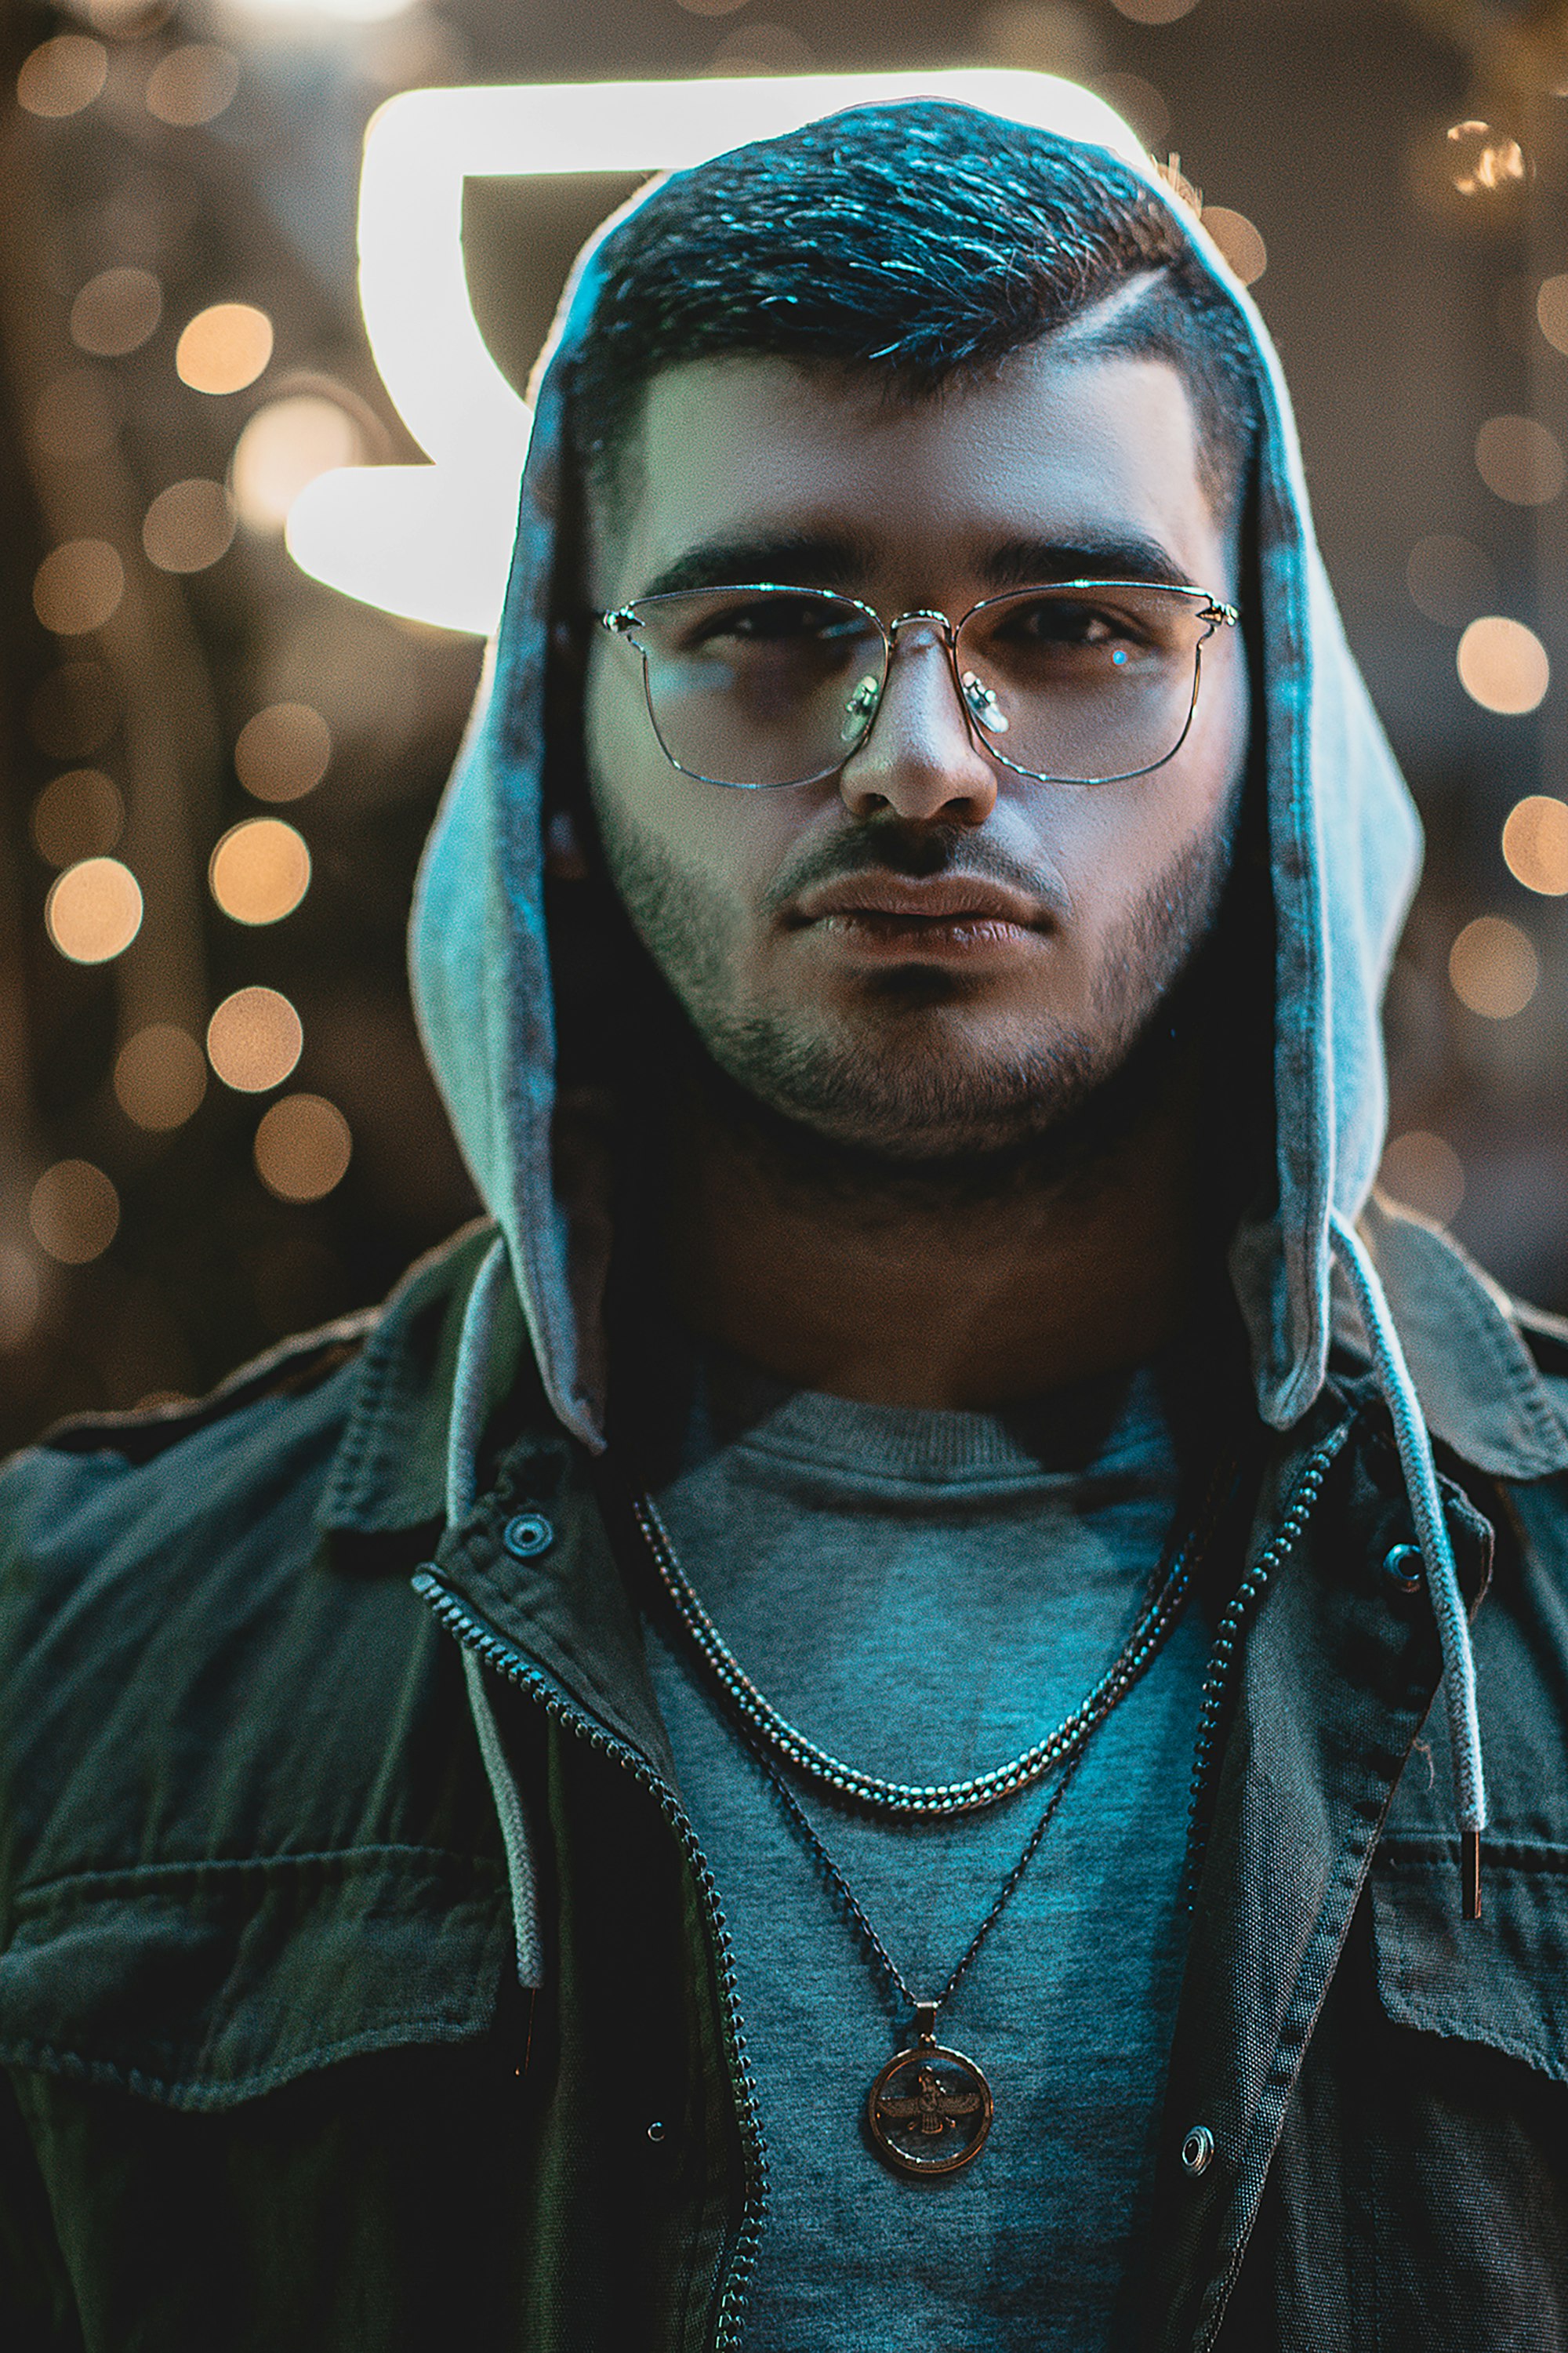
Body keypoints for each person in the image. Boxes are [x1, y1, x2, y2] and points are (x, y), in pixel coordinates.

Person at [2, 89, 1566, 2353]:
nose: (923, 752)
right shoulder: (86, 1661)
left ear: (1270, 708)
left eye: (1078, 626)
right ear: (566, 705)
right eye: (764, 620)